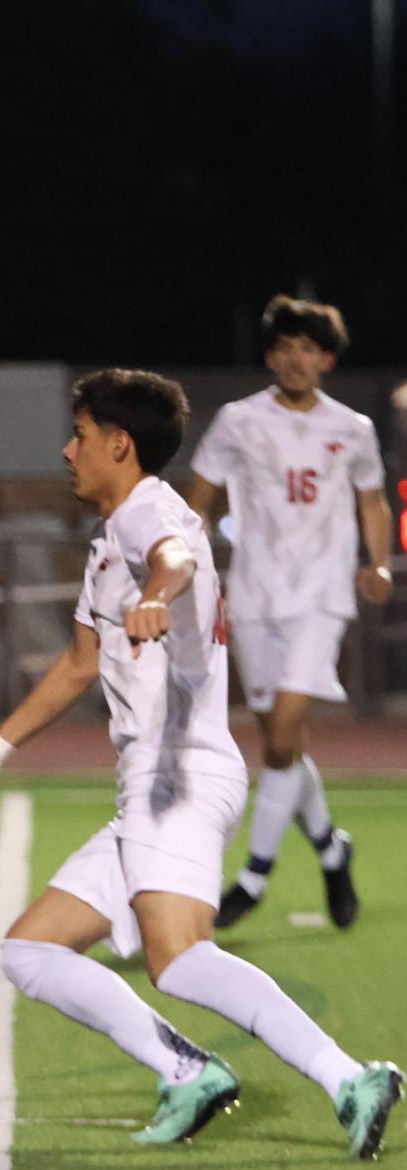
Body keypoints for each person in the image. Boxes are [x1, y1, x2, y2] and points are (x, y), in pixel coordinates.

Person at [0, 369, 399, 1159]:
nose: (65, 449)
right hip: (148, 785)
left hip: (177, 772)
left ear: (118, 444)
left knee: (179, 958)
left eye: (78, 435)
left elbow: (177, 556)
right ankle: (185, 1071)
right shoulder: (109, 538)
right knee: (31, 951)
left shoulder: (146, 512)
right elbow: (77, 668)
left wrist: (157, 591)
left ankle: (349, 1077)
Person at [185, 296, 395, 930]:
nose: (296, 358)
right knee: (284, 740)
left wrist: (378, 562)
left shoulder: (352, 428)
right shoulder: (236, 421)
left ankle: (254, 874)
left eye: (308, 348)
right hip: (254, 593)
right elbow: (198, 498)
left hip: (321, 597)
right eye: (285, 348)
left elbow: (374, 502)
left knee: (279, 739)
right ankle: (332, 847)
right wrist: (186, 564)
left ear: (325, 359)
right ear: (271, 356)